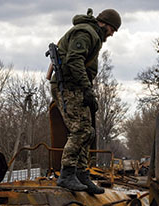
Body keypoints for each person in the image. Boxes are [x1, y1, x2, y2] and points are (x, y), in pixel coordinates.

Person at [50, 8, 121, 194]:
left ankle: (81, 174)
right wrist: (86, 88)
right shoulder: (86, 33)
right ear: (105, 24)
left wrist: (88, 92)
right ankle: (66, 174)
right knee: (80, 130)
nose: (112, 34)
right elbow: (74, 60)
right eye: (113, 29)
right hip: (68, 86)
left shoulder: (93, 35)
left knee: (88, 131)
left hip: (77, 87)